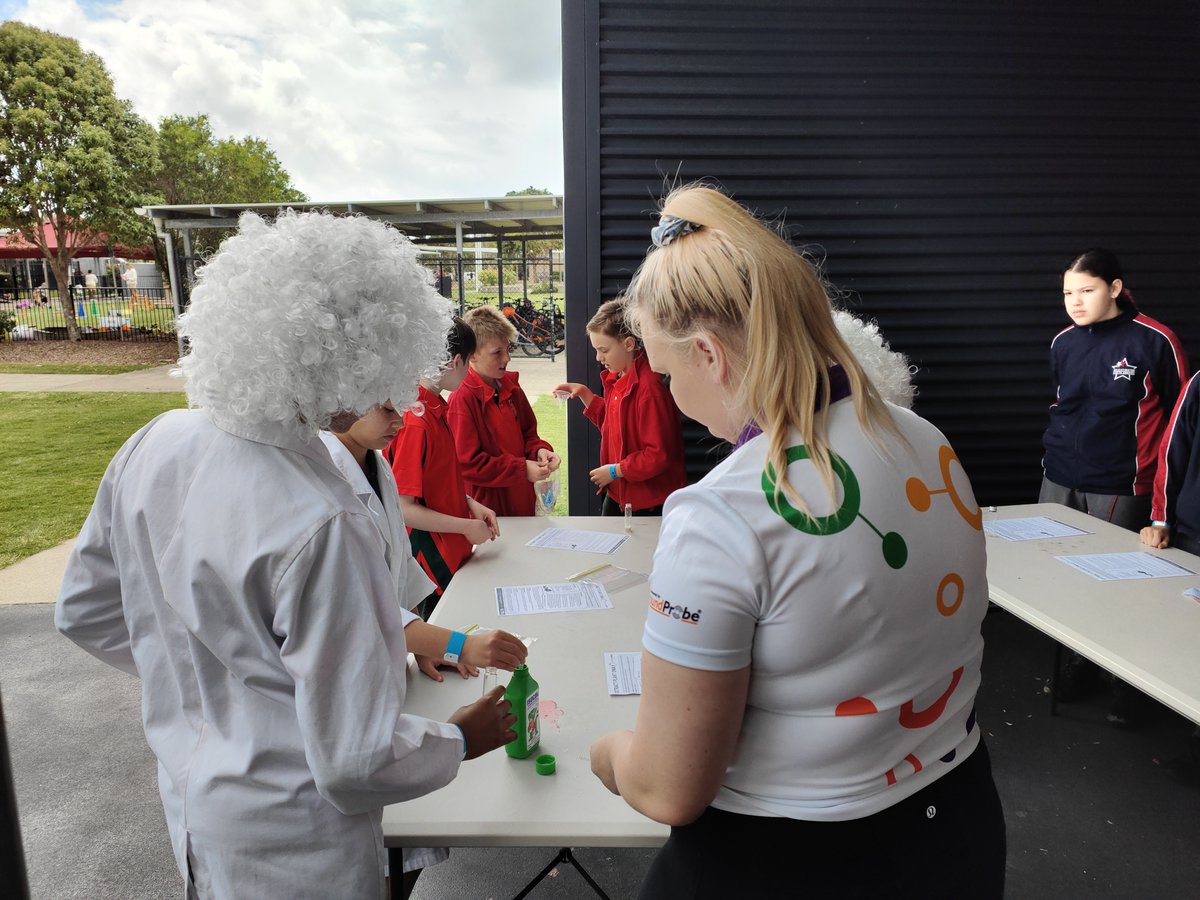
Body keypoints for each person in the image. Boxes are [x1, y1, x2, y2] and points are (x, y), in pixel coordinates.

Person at [55, 210, 517, 900]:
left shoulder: (156, 441)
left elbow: (85, 612)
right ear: (363, 351)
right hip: (298, 842)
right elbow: (356, 760)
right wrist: (460, 740)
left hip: (192, 803)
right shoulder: (323, 516)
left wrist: (212, 685)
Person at [588, 185, 1005, 899]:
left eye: (664, 372)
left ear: (710, 355)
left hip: (792, 858)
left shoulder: (725, 509)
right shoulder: (923, 439)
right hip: (954, 823)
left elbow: (667, 789)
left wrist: (606, 753)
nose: (669, 392)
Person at [320, 400, 527, 897]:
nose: (399, 420)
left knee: (400, 844)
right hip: (349, 693)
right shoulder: (325, 478)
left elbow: (394, 572)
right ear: (340, 398)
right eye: (387, 407)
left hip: (384, 667)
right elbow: (360, 606)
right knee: (375, 855)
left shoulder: (376, 462)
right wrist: (460, 644)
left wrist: (423, 643)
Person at [1040, 248, 1188, 721]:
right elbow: (1062, 404)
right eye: (1068, 292)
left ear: (1116, 288)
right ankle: (1079, 666)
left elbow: (1181, 423)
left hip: (1122, 483)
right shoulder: (1064, 341)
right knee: (1062, 576)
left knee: (1118, 583)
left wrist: (1165, 501)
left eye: (1087, 290)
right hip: (1060, 475)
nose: (1075, 301)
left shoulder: (1156, 340)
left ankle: (1129, 685)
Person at [387, 317, 499, 616]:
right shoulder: (417, 422)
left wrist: (468, 502)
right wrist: (465, 527)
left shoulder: (434, 408)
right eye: (467, 365)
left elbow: (434, 482)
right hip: (432, 566)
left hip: (452, 553)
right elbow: (404, 507)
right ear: (456, 361)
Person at [554, 295, 687, 515]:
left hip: (647, 503)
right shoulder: (618, 378)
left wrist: (616, 471)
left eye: (604, 350)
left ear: (628, 344)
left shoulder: (649, 389)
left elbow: (658, 454)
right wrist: (585, 394)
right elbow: (614, 426)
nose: (598, 358)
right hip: (620, 494)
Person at [448, 304, 560, 516]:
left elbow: (529, 434)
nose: (507, 358)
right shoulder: (463, 398)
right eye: (497, 353)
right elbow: (468, 463)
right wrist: (521, 469)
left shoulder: (511, 386)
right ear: (472, 355)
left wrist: (539, 451)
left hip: (522, 502)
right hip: (489, 510)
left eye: (507, 349)